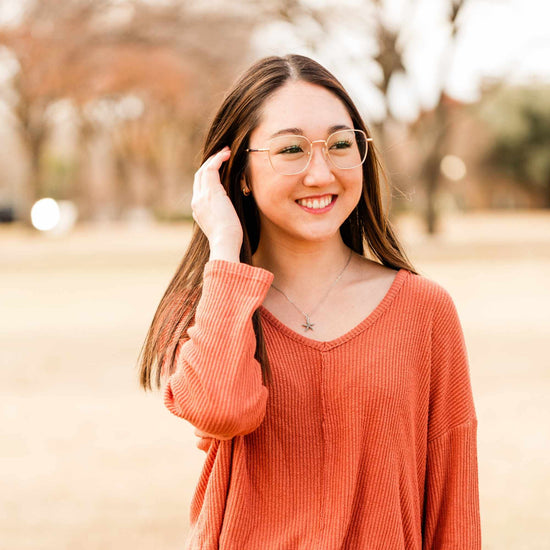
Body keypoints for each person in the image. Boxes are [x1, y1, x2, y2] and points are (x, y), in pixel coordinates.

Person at [138, 54, 481, 549]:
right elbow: (218, 409)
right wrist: (224, 250)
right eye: (291, 149)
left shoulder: (424, 310)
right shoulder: (208, 308)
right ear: (238, 174)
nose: (321, 173)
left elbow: (454, 503)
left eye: (340, 144)